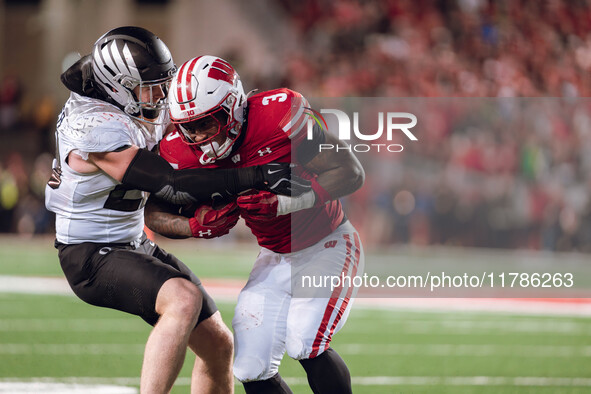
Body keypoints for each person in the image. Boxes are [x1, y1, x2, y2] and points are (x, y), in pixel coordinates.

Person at [44, 27, 309, 394]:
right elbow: (172, 184)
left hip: (131, 240)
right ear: (117, 85)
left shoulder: (125, 103)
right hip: (89, 251)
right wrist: (258, 175)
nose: (159, 95)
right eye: (148, 87)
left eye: (161, 83)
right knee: (183, 299)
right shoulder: (91, 124)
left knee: (219, 345)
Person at [145, 55, 365, 394]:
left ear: (233, 105)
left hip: (327, 243)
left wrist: (286, 203)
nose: (198, 136)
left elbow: (350, 172)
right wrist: (194, 227)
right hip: (274, 255)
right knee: (250, 367)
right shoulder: (178, 149)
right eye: (189, 126)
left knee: (305, 340)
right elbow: (154, 214)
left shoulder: (279, 116)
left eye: (208, 122)